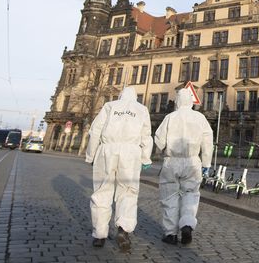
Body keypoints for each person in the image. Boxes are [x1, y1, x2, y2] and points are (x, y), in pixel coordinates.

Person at [85, 86, 153, 250]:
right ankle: (123, 229)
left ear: (121, 95)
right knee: (128, 192)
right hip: (131, 152)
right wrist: (145, 157)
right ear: (135, 97)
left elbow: (95, 131)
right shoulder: (141, 109)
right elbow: (146, 135)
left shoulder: (110, 106)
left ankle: (100, 234)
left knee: (102, 191)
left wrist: (91, 155)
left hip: (107, 149)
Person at [154, 87, 213, 246]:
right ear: (191, 101)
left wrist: (162, 148)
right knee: (191, 194)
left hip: (172, 161)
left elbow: (159, 140)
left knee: (169, 196)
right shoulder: (200, 118)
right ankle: (187, 224)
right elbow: (208, 143)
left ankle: (170, 234)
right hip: (192, 161)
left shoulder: (170, 117)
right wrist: (206, 163)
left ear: (178, 101)